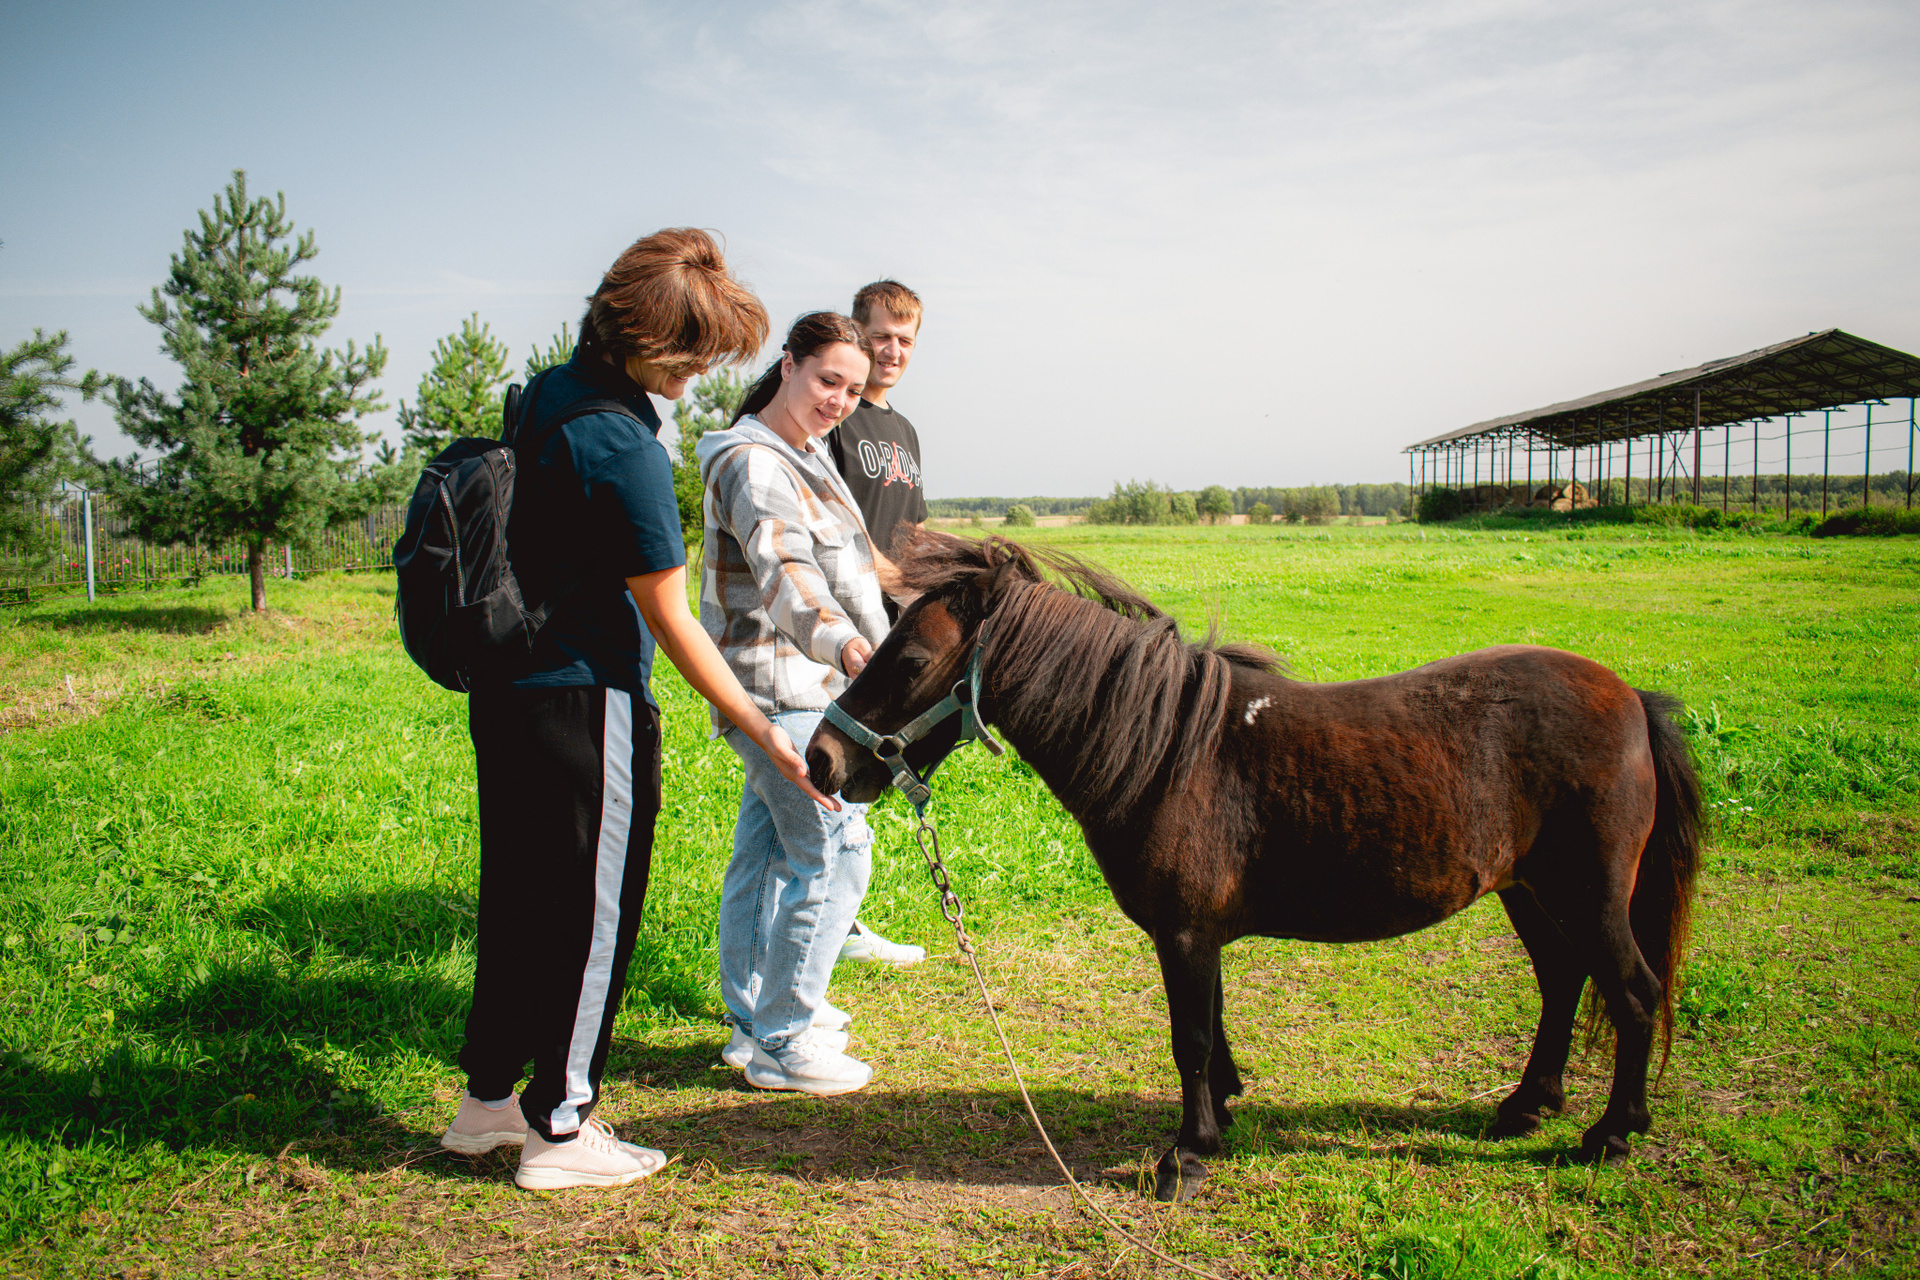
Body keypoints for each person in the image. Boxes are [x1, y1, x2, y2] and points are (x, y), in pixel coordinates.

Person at [438, 229, 839, 1188]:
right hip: (589, 704)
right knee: (593, 920)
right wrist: (763, 731)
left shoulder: (547, 395)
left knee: (520, 899)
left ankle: (488, 1103)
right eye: (692, 356)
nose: (698, 377)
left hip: (508, 695)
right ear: (650, 342)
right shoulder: (623, 447)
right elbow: (672, 619)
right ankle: (560, 1129)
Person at [698, 311, 890, 1096]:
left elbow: (850, 569)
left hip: (814, 686)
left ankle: (754, 1015)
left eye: (852, 389)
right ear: (788, 367)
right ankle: (783, 1037)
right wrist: (846, 646)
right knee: (835, 849)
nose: (838, 399)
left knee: (769, 851)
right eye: (826, 380)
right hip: (783, 688)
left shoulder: (806, 454)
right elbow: (787, 574)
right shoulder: (754, 464)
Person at [827, 279, 931, 966]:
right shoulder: (837, 415)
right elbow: (836, 519)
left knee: (863, 769)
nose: (892, 351)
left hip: (890, 622)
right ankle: (825, 922)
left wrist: (926, 587)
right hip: (839, 618)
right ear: (857, 334)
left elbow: (913, 526)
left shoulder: (905, 430)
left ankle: (840, 921)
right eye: (881, 337)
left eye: (905, 340)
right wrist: (886, 576)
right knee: (831, 761)